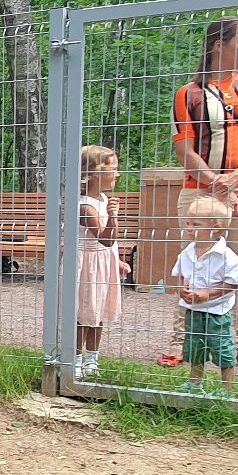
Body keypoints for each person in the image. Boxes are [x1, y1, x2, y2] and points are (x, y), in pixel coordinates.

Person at [158, 16, 238, 374]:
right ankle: (179, 344)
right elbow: (185, 151)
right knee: (192, 266)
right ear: (217, 45)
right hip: (199, 188)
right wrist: (216, 184)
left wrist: (237, 177)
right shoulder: (189, 94)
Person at [173, 194, 238, 397]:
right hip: (193, 311)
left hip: (216, 313)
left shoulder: (227, 256)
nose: (189, 228)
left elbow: (233, 282)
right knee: (194, 347)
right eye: (187, 223)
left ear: (216, 227)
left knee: (222, 348)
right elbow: (179, 275)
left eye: (195, 223)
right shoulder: (186, 252)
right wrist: (182, 289)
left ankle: (226, 388)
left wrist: (208, 294)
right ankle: (195, 384)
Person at [75, 144, 129, 376]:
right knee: (81, 315)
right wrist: (114, 216)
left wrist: (116, 261)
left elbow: (109, 246)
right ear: (94, 174)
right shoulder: (85, 207)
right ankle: (74, 359)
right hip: (86, 266)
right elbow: (105, 239)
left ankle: (92, 360)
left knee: (97, 313)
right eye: (113, 169)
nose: (117, 174)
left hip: (102, 264)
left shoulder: (103, 199)